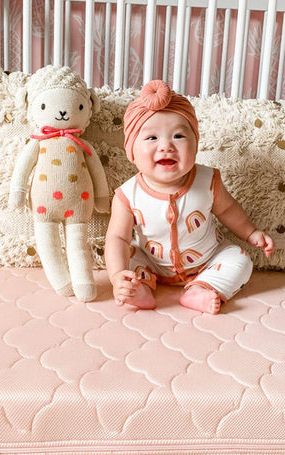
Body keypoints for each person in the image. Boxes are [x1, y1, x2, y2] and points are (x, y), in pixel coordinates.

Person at [104, 80, 274, 314]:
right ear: (131, 151)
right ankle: (139, 287)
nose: (166, 146)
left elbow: (227, 210)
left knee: (241, 259)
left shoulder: (207, 180)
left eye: (178, 136)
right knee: (129, 254)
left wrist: (251, 233)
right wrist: (117, 277)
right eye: (152, 138)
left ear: (195, 145)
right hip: (151, 262)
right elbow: (118, 239)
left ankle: (202, 288)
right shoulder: (127, 195)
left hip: (207, 261)